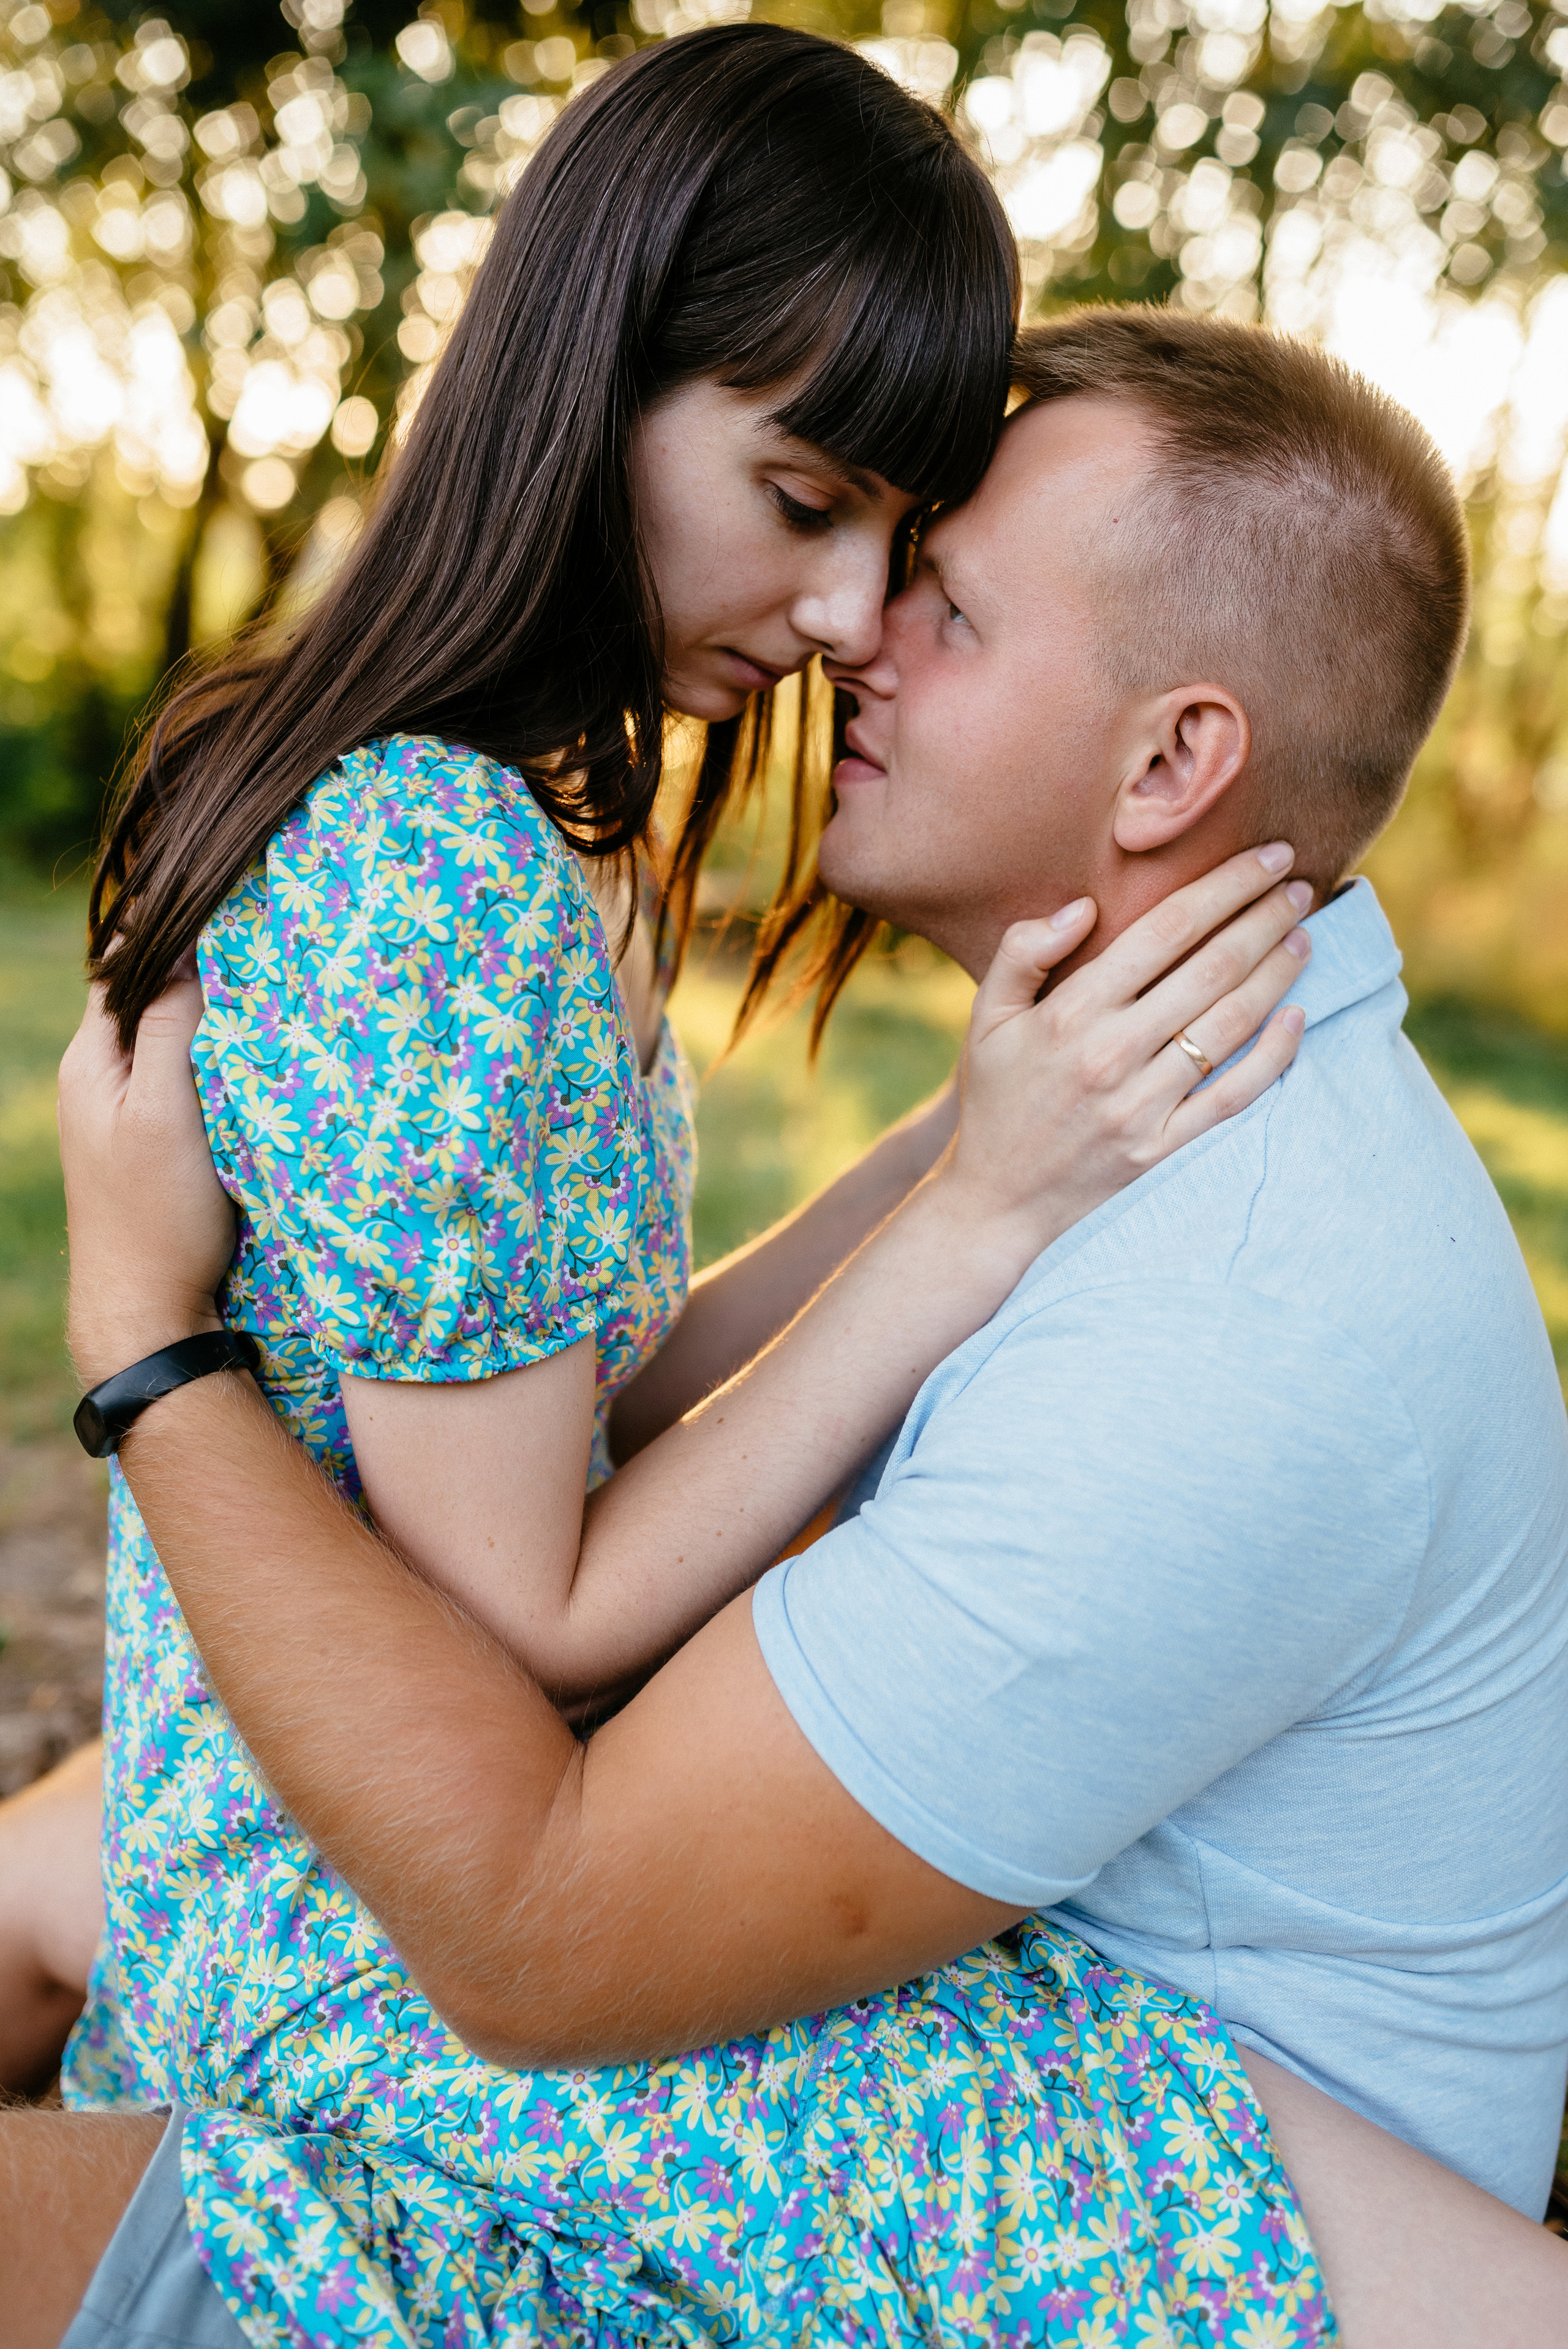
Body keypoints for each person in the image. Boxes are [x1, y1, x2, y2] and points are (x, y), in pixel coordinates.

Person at [22, 304, 1568, 2348]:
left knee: (140, 1974)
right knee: (80, 1860)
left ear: (1173, 761)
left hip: (1111, 2188)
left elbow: (542, 1930)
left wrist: (148, 1345)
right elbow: (646, 1442)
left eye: (948, 603)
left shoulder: (1239, 1315)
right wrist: (950, 1172)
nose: (856, 634)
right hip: (913, 1977)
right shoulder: (1141, 1094)